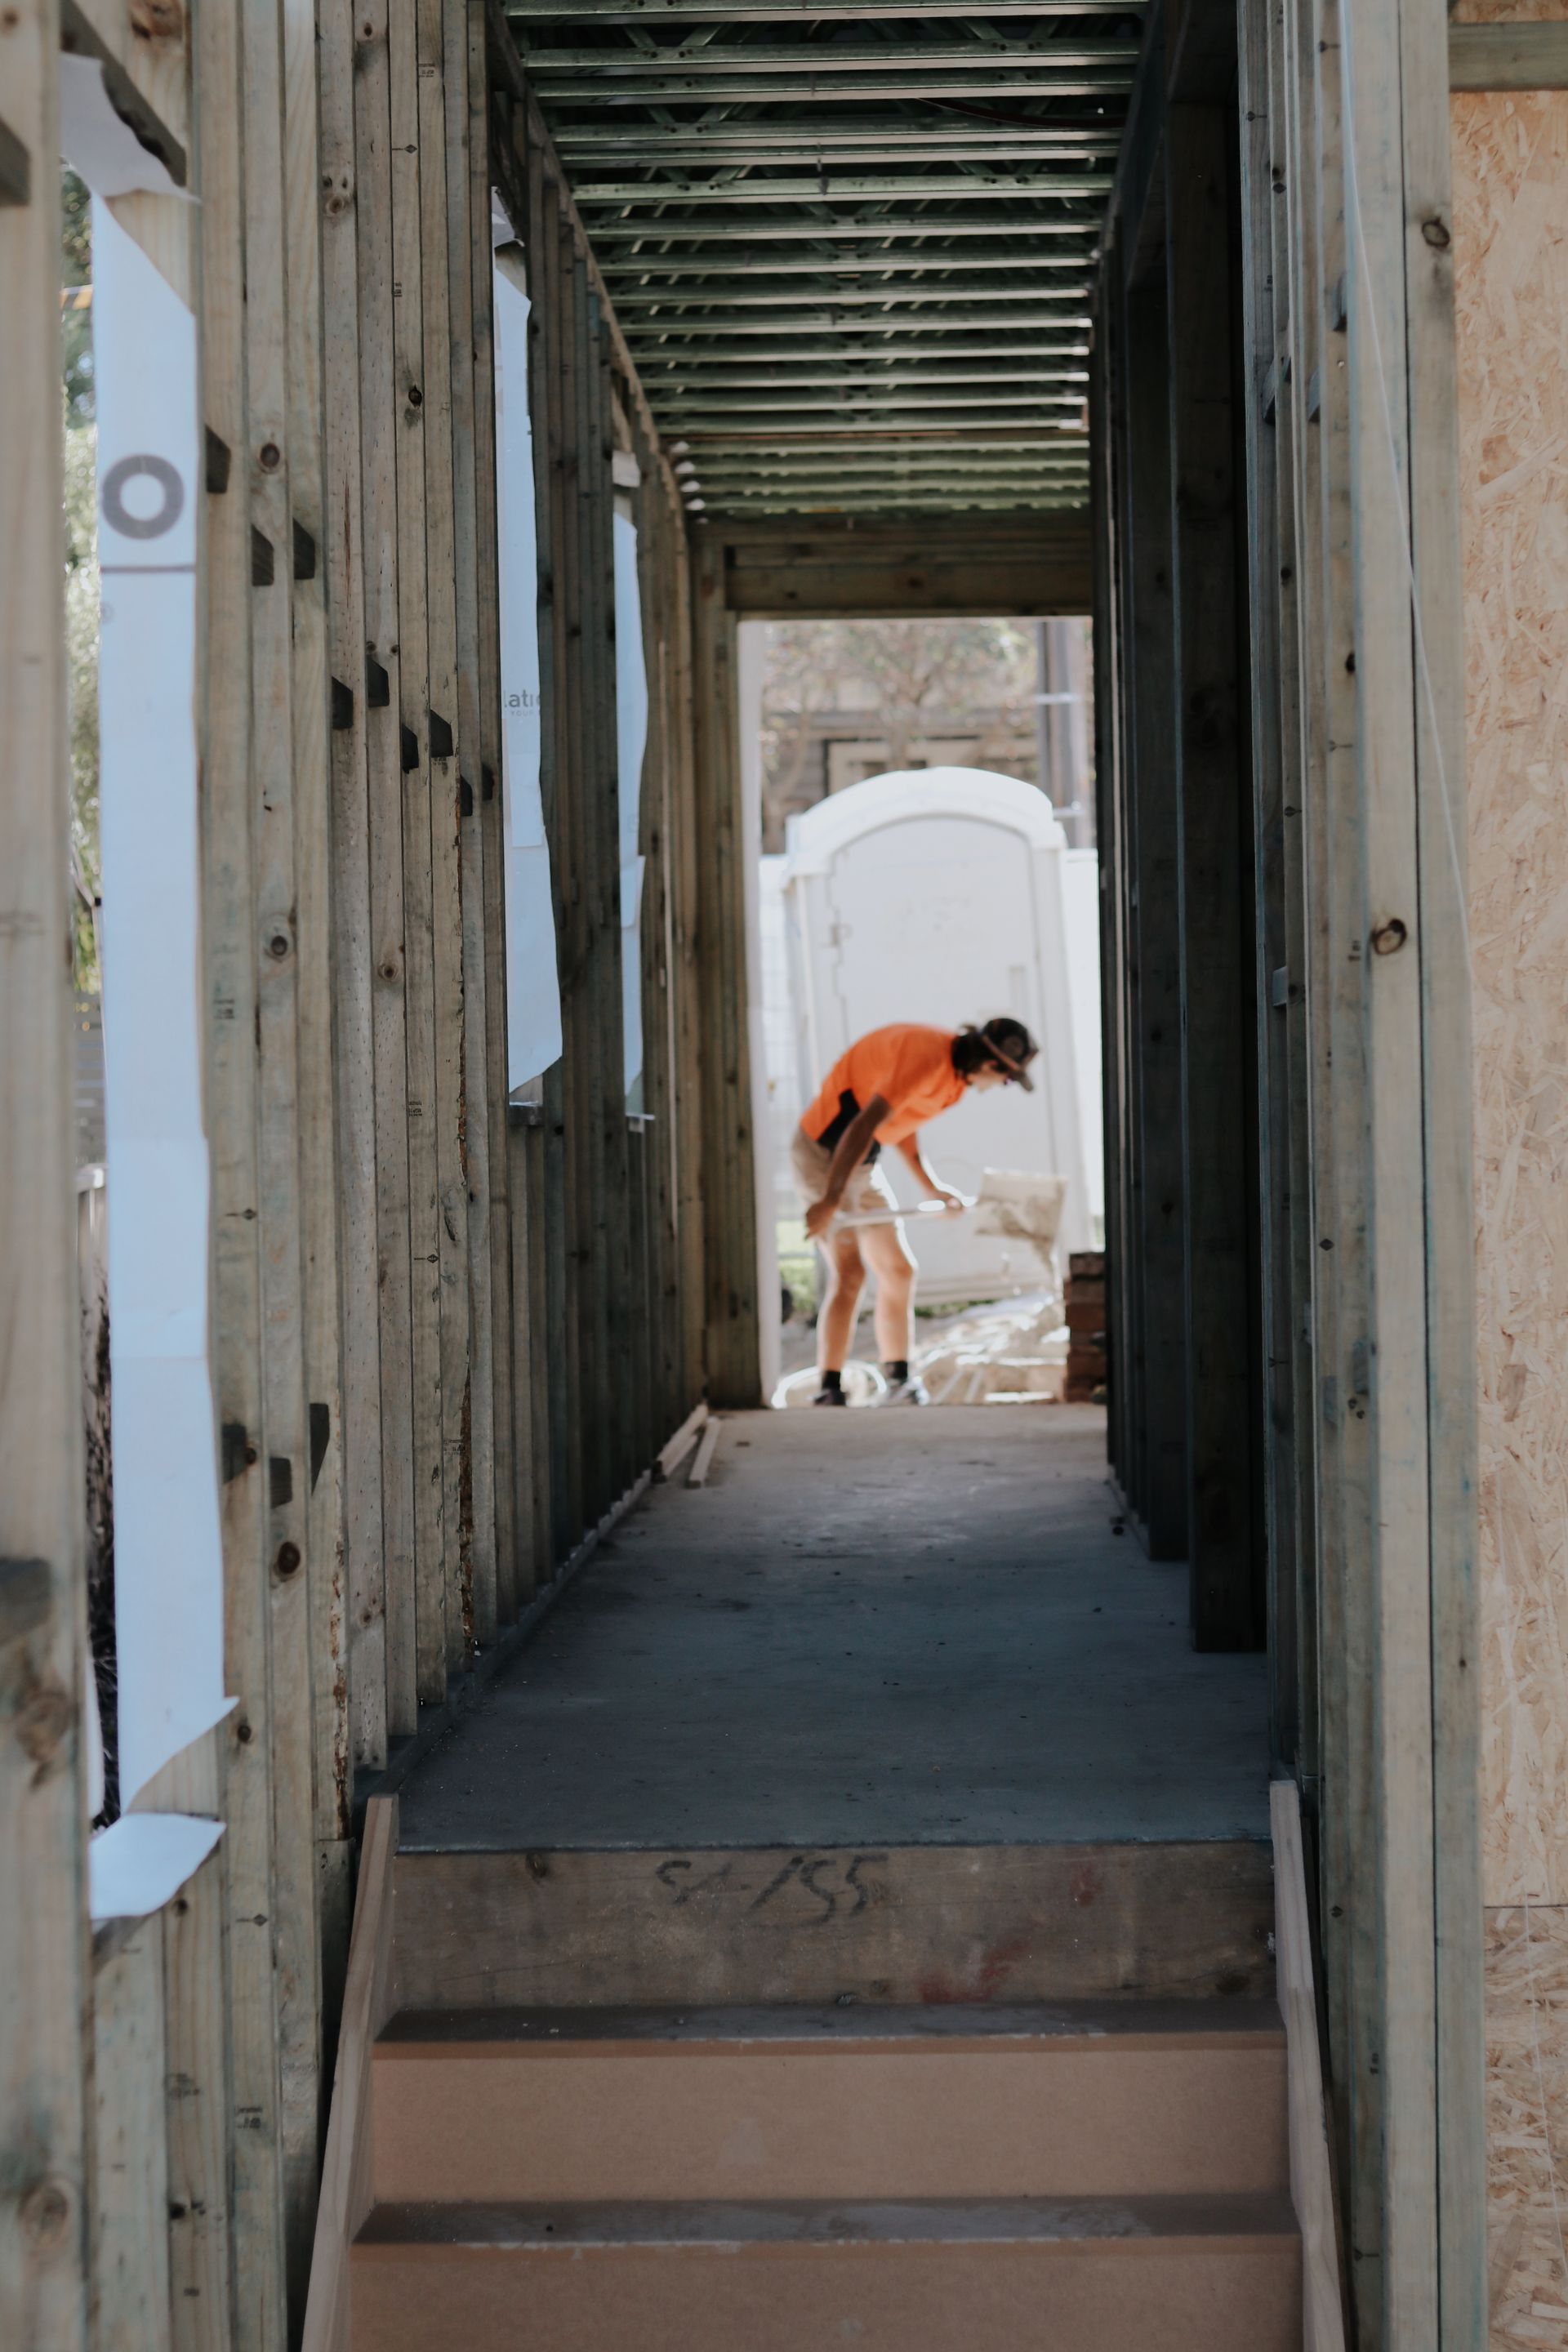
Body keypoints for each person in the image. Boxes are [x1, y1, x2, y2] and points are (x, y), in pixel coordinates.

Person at [793, 1016, 1038, 1406]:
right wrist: (830, 1199)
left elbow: (901, 1124)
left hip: (860, 1162)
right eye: (1007, 1079)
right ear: (991, 1065)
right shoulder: (927, 1060)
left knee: (899, 1269)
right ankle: (829, 1387)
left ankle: (900, 1381)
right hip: (824, 1154)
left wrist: (932, 1188)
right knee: (850, 1271)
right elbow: (863, 1123)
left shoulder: (955, 1083)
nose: (999, 1088)